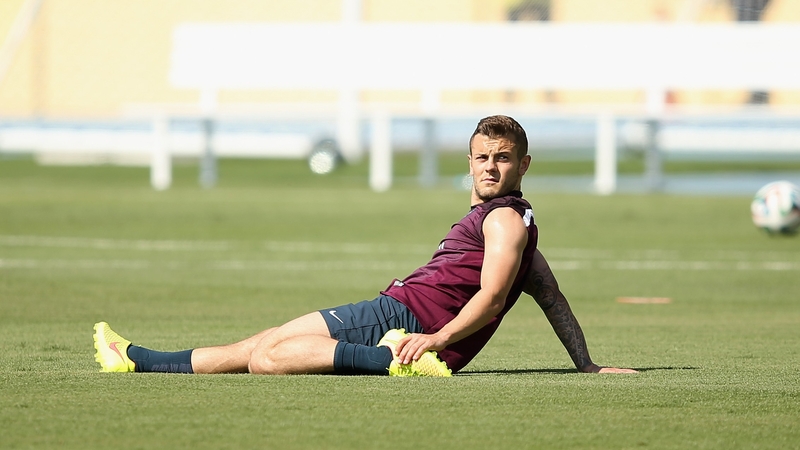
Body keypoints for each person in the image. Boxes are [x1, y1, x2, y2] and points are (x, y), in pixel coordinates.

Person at [93, 115, 637, 377]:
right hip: (401, 314)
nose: (491, 166)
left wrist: (433, 340)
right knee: (267, 340)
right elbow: (550, 295)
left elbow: (494, 298)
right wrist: (586, 365)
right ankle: (137, 361)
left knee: (269, 358)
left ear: (523, 164)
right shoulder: (512, 223)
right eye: (482, 157)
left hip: (401, 319)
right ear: (470, 162)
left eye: (502, 157)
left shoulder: (505, 223)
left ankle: (390, 362)